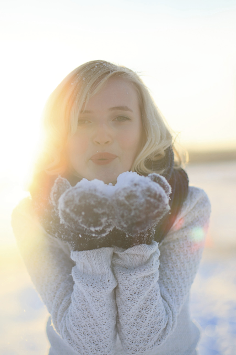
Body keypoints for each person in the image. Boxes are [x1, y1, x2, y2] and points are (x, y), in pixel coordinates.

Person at [11, 60, 211, 355]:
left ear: (144, 128)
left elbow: (144, 340)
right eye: (83, 120)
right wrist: (89, 242)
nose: (103, 135)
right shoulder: (32, 216)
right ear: (59, 134)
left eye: (120, 117)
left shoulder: (187, 205)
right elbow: (90, 344)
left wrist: (138, 238)